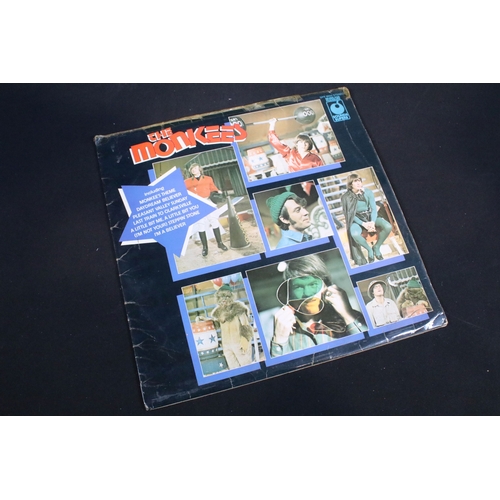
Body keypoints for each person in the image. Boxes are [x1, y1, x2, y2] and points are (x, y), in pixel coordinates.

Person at [270, 255, 367, 357]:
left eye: (313, 284)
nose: (307, 293)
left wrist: (348, 315)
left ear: (326, 286)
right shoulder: (284, 330)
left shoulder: (352, 318)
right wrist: (279, 339)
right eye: (298, 286)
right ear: (290, 292)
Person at [340, 173, 392, 265]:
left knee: (388, 226)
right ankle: (369, 250)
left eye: (359, 180)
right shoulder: (345, 197)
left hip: (370, 217)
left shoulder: (368, 192)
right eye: (355, 181)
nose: (359, 183)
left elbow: (374, 209)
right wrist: (363, 224)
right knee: (354, 234)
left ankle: (376, 247)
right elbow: (350, 215)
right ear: (350, 184)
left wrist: (372, 222)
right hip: (357, 220)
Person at [184, 163, 228, 256]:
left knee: (214, 222)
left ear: (199, 169)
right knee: (200, 225)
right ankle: (205, 247)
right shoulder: (187, 182)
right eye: (192, 169)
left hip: (208, 201)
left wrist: (218, 191)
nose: (193, 170)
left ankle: (220, 243)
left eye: (195, 168)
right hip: (197, 204)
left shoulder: (208, 179)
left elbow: (213, 188)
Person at [211, 285, 254, 369]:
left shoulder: (238, 308)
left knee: (246, 366)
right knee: (234, 368)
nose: (224, 299)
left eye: (227, 296)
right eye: (221, 297)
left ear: (231, 297)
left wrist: (245, 340)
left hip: (239, 343)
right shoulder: (218, 312)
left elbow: (245, 325)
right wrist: (205, 320)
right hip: (227, 345)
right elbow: (216, 325)